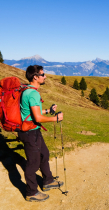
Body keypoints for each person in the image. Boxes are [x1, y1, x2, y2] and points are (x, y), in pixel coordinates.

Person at [17, 65, 64, 202]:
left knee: (44, 153)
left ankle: (48, 181)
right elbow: (37, 118)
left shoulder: (29, 91)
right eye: (43, 75)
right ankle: (31, 192)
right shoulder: (32, 93)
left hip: (33, 130)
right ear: (35, 77)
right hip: (29, 133)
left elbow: (32, 113)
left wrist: (48, 111)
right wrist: (55, 118)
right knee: (33, 163)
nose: (45, 77)